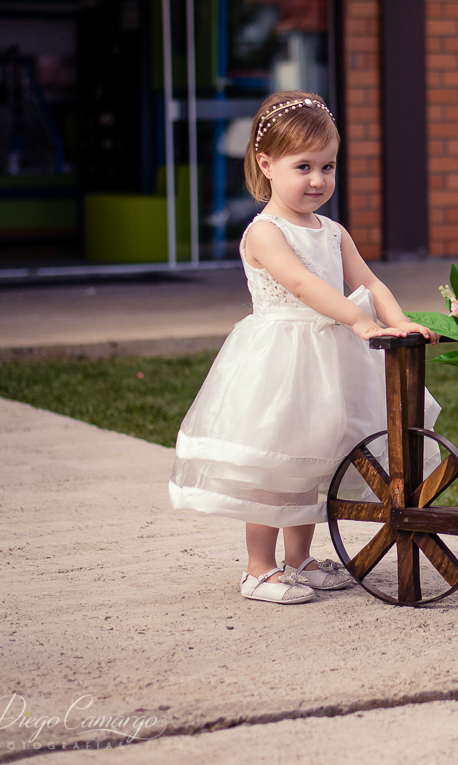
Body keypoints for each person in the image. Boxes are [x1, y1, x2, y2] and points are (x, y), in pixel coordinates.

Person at [168, 90, 438, 604]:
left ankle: (300, 560)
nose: (318, 180)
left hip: (328, 360)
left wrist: (397, 319)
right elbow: (302, 286)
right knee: (277, 462)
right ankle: (258, 568)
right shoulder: (266, 232)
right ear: (266, 164)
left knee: (316, 462)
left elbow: (371, 281)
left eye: (329, 167)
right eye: (304, 167)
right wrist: (359, 321)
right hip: (282, 360)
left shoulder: (333, 232)